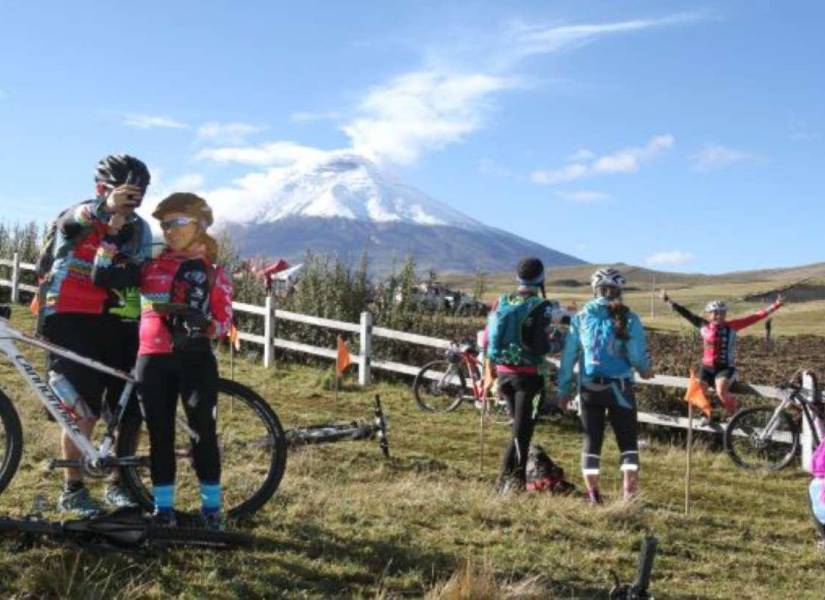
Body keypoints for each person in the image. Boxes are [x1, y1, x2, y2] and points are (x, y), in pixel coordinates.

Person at [91, 193, 232, 527]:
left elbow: (224, 323)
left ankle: (211, 510)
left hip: (195, 358)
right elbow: (101, 275)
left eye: (178, 222)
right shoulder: (150, 267)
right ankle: (163, 510)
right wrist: (111, 234)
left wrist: (204, 324)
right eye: (165, 224)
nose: (170, 230)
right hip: (152, 360)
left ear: (199, 225)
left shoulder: (215, 273)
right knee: (160, 435)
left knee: (203, 433)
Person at [39, 154, 152, 516]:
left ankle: (120, 483)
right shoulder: (78, 214)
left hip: (120, 318)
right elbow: (73, 227)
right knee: (81, 408)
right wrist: (105, 208)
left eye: (139, 193)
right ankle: (73, 490)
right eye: (124, 190)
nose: (132, 199)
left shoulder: (140, 228)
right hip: (70, 317)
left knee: (126, 410)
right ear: (101, 187)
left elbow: (139, 272)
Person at [556, 268, 653, 504]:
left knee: (592, 441)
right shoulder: (629, 318)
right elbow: (636, 355)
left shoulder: (580, 318)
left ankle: (593, 495)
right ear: (619, 291)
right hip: (620, 388)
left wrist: (563, 389)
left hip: (589, 388)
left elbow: (569, 357)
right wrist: (644, 369)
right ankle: (628, 495)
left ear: (595, 290)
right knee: (628, 441)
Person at [483, 257, 563, 493]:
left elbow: (487, 339)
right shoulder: (541, 305)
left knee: (518, 431)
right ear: (541, 278)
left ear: (517, 277)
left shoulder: (502, 301)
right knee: (522, 433)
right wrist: (557, 344)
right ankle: (506, 484)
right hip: (529, 378)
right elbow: (539, 346)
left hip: (504, 375)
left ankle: (513, 481)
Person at [660, 291, 783, 417]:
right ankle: (707, 415)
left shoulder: (733, 326)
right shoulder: (703, 325)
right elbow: (685, 313)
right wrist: (669, 301)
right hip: (706, 368)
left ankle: (736, 418)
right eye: (715, 313)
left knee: (721, 391)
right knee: (699, 392)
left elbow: (755, 317)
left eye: (722, 313)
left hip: (725, 368)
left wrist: (775, 305)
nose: (719, 316)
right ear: (709, 315)